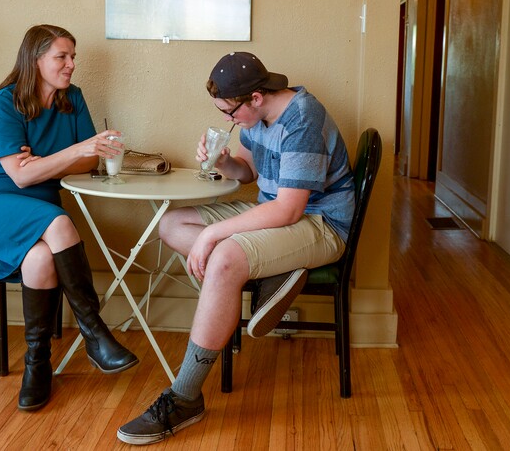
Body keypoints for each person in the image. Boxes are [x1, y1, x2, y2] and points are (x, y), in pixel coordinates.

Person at [117, 52, 355, 445]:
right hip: (277, 213)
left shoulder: (303, 119)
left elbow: (290, 207)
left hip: (321, 223)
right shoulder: (256, 117)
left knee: (226, 256)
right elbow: (250, 172)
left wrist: (215, 236)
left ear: (256, 98)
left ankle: (184, 397)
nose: (229, 119)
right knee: (172, 224)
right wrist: (227, 163)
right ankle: (271, 270)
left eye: (230, 112)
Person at [0, 24, 138, 412]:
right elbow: (20, 175)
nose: (71, 65)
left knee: (39, 257)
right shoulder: (5, 102)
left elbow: (91, 159)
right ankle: (96, 334)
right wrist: (69, 153)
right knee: (59, 223)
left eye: (73, 57)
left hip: (36, 207)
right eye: (61, 57)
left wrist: (49, 161)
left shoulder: (74, 99)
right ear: (35, 60)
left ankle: (37, 363)